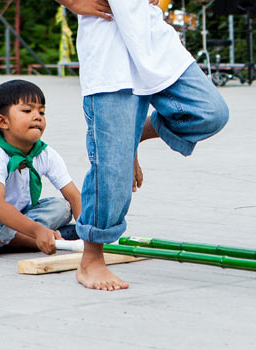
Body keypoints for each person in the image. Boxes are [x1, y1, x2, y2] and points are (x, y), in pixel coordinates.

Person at [54, 0, 229, 291]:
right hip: (108, 45)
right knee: (112, 169)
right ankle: (91, 259)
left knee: (210, 112)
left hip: (152, 38)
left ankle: (132, 135)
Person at [0, 80, 82, 258]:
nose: (37, 116)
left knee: (62, 207)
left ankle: (1, 241)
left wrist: (88, 234)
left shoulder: (46, 154)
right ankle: (40, 240)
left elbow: (74, 196)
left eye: (41, 112)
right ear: (2, 121)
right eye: (27, 111)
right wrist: (37, 231)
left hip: (19, 216)